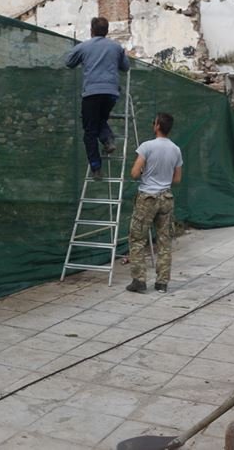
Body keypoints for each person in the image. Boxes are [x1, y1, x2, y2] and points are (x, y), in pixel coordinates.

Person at [65, 16, 130, 180]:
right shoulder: (116, 47)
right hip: (111, 93)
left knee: (90, 130)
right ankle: (108, 139)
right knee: (100, 119)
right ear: (107, 31)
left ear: (91, 30)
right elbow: (125, 67)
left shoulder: (84, 47)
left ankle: (96, 168)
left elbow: (69, 62)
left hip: (92, 93)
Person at [126, 112, 183, 294]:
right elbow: (177, 179)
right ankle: (162, 283)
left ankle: (139, 281)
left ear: (157, 125)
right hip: (166, 198)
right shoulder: (176, 149)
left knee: (137, 239)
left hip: (147, 197)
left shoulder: (147, 146)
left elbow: (134, 173)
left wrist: (145, 174)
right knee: (164, 241)